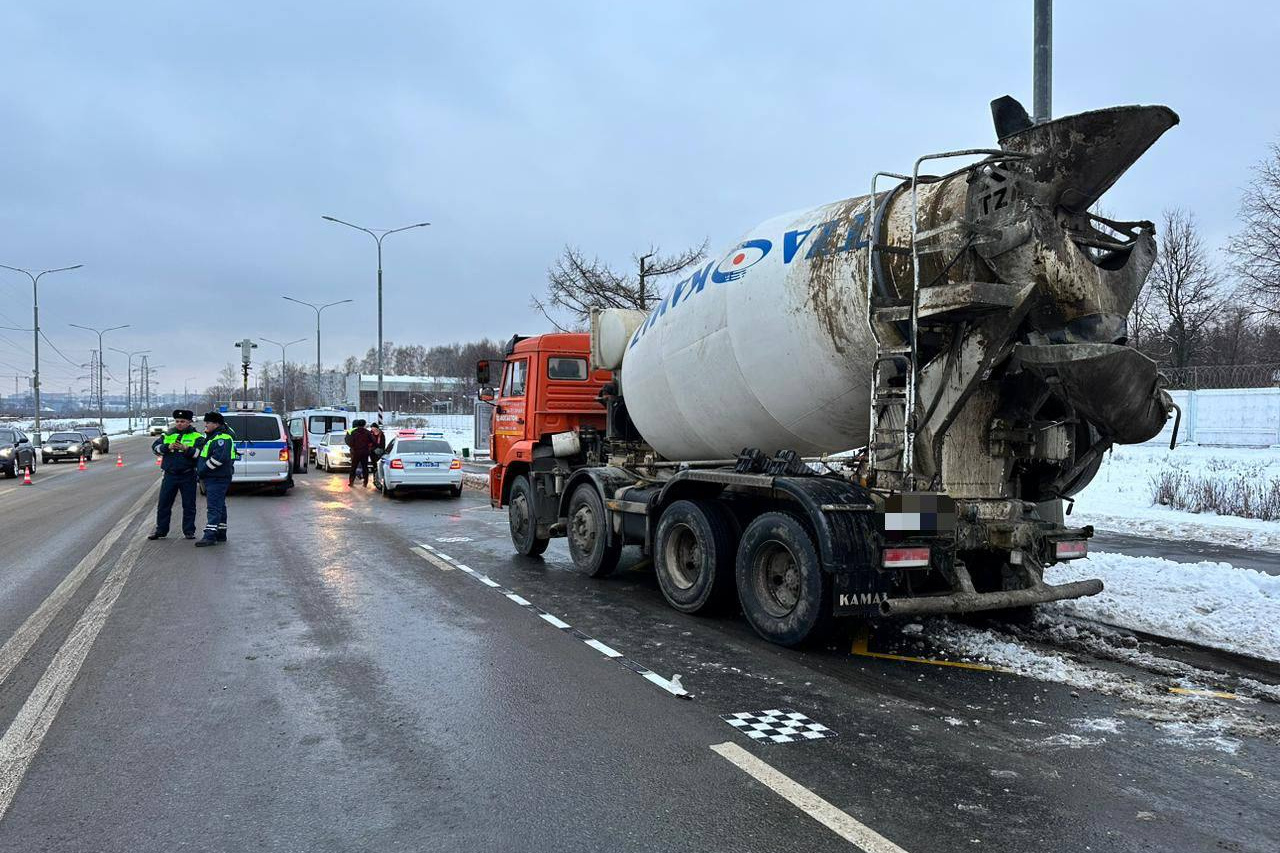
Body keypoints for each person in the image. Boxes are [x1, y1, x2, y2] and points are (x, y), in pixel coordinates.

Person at [147, 409, 202, 540]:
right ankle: (161, 530)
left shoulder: (197, 437)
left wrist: (186, 449)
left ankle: (189, 531)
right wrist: (167, 447)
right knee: (164, 504)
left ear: (189, 422)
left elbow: (199, 454)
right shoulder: (167, 435)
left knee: (189, 504)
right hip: (170, 474)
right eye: (177, 421)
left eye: (183, 421)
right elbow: (155, 448)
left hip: (187, 474)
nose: (179, 424)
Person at [194, 411, 237, 547]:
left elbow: (219, 458)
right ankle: (220, 532)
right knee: (219, 505)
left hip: (216, 477)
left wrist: (203, 469)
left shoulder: (221, 438)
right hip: (216, 477)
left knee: (213, 507)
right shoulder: (214, 436)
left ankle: (210, 535)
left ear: (216, 424)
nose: (205, 425)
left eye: (208, 422)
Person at [345, 418, 374, 487]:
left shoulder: (353, 432)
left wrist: (353, 447)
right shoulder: (368, 432)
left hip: (355, 452)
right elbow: (373, 440)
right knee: (365, 467)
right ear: (364, 425)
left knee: (353, 467)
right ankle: (365, 482)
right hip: (365, 452)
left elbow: (349, 441)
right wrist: (368, 446)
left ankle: (351, 482)